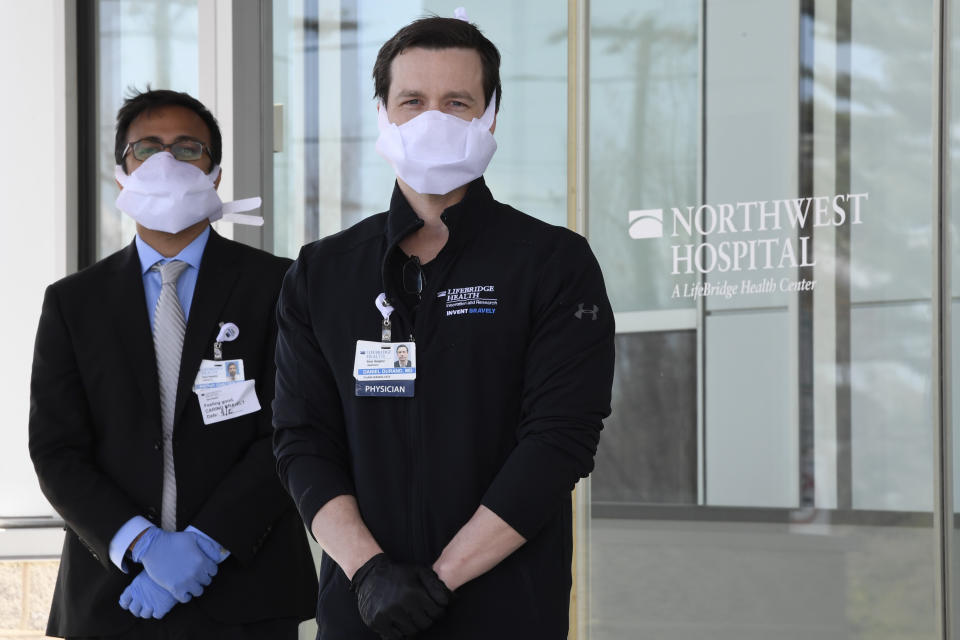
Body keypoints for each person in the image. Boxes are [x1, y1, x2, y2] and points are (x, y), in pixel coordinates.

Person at [272, 13, 614, 640]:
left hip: (507, 608)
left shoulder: (551, 263)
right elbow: (302, 441)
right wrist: (369, 572)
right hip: (361, 610)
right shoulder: (322, 274)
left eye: (457, 102)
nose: (433, 119)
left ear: (490, 117)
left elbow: (559, 441)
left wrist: (441, 579)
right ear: (383, 114)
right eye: (413, 101)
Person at [29, 88, 317, 639]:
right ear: (121, 172)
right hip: (112, 598)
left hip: (249, 593)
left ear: (215, 174)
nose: (166, 161)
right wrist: (142, 543)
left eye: (188, 149)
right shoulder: (73, 302)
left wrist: (206, 542)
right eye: (147, 148)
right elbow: (56, 449)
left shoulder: (280, 286)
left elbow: (291, 429)